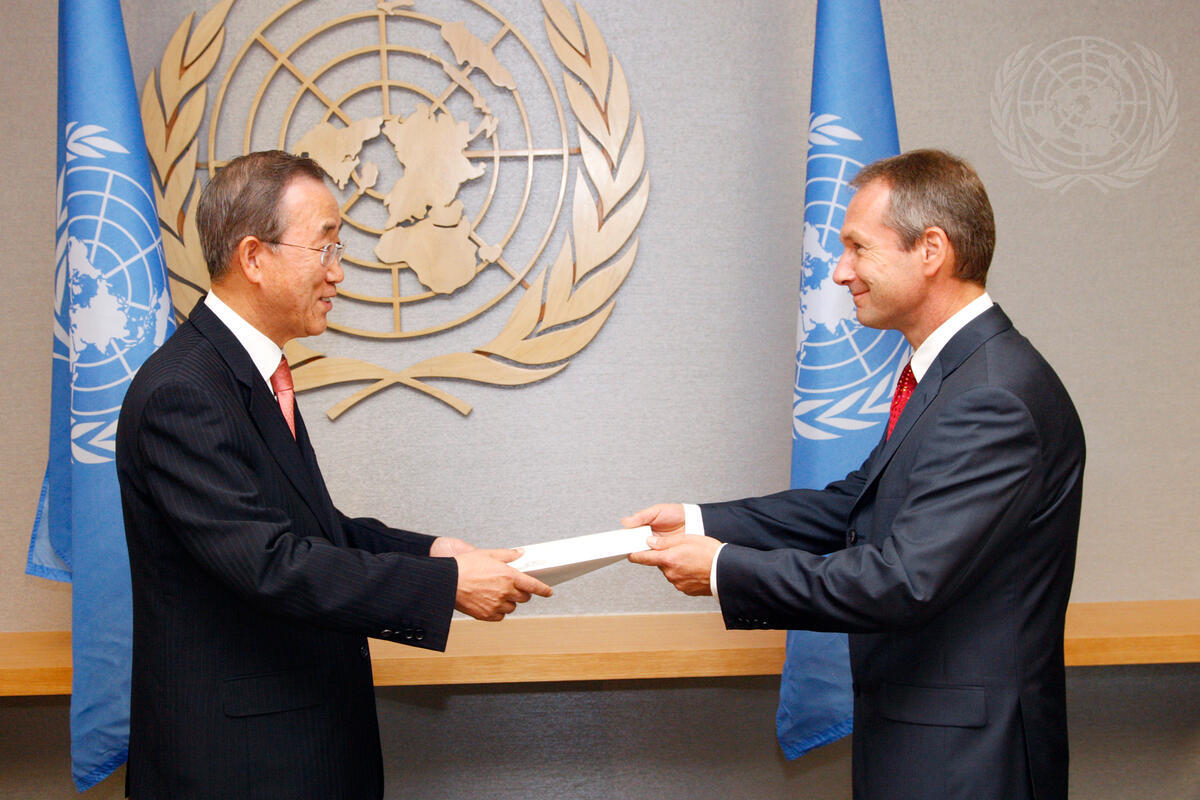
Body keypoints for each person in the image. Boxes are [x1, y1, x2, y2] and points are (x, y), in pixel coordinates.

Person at [625, 149, 1084, 800]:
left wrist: (725, 569)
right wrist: (699, 522)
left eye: (858, 248)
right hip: (923, 739)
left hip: (969, 761)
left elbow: (902, 581)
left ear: (931, 250)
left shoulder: (992, 396)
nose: (840, 272)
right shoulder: (954, 376)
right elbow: (856, 504)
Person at [115, 150, 552, 799]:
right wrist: (446, 586)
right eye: (324, 248)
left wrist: (436, 552)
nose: (338, 272)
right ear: (254, 257)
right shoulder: (184, 391)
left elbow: (312, 530)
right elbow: (272, 563)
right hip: (241, 769)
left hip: (296, 749)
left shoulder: (248, 373)